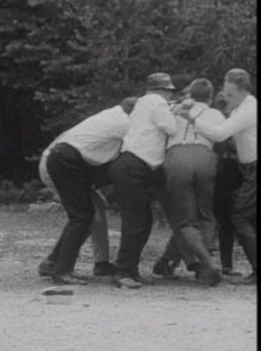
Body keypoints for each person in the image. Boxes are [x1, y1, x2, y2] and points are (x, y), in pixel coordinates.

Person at [37, 97, 139, 284]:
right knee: (82, 216)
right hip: (61, 160)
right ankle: (61, 270)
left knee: (92, 212)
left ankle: (56, 263)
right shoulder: (124, 122)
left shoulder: (112, 114)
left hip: (64, 159)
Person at [179, 68, 257, 285]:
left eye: (231, 94)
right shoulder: (242, 107)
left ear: (244, 92)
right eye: (225, 92)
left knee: (240, 217)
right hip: (247, 168)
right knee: (245, 218)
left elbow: (220, 133)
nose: (226, 97)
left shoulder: (248, 110)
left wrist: (191, 120)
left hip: (254, 167)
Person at [109, 73, 179, 288]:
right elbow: (171, 128)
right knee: (136, 221)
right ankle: (123, 271)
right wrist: (175, 112)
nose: (170, 95)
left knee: (142, 220)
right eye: (169, 91)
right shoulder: (157, 102)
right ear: (162, 90)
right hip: (135, 165)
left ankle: (130, 269)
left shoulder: (142, 103)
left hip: (131, 164)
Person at [158, 78, 225, 286]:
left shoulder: (175, 110)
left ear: (190, 94)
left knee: (184, 220)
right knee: (205, 215)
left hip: (178, 156)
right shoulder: (216, 114)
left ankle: (207, 264)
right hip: (205, 156)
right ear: (210, 97)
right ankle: (176, 263)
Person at [212, 91, 244, 277]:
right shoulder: (232, 123)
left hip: (219, 173)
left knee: (221, 221)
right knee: (227, 222)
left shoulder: (213, 121)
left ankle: (221, 264)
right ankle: (226, 265)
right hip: (229, 173)